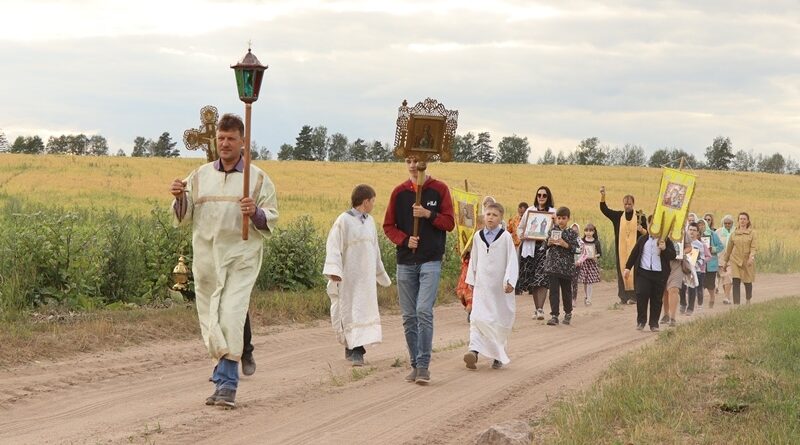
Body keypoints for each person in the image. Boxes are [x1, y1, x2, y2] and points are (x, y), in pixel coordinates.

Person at [170, 113, 278, 408]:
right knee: (210, 318)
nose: (225, 143)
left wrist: (254, 212)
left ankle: (228, 384)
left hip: (241, 256)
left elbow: (270, 218)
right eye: (221, 138)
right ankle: (221, 374)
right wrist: (180, 196)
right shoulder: (200, 176)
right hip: (206, 260)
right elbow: (184, 216)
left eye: (231, 138)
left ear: (243, 141)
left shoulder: (256, 179)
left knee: (231, 314)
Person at [383, 156, 455, 385]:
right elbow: (388, 226)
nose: (413, 165)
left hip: (430, 260)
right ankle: (414, 364)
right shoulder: (399, 192)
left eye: (417, 161)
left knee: (424, 310)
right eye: (409, 161)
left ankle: (424, 365)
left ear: (425, 162)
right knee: (408, 316)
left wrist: (428, 215)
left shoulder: (439, 189)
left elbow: (449, 223)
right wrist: (405, 240)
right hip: (405, 262)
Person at [323, 184, 392, 367]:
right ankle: (355, 350)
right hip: (349, 276)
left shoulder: (370, 222)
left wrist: (380, 273)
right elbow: (333, 246)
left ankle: (355, 346)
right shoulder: (343, 221)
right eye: (373, 201)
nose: (373, 205)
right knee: (350, 311)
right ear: (365, 201)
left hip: (366, 278)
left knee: (364, 311)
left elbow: (375, 249)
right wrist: (335, 271)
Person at [462, 203, 519, 370]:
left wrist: (510, 281)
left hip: (499, 289)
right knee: (477, 318)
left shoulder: (506, 237)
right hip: (482, 286)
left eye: (494, 215)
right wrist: (471, 281)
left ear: (500, 218)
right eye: (488, 214)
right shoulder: (478, 236)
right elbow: (474, 259)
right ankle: (473, 350)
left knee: (496, 320)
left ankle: (498, 355)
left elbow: (511, 260)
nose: (490, 217)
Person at [600, 186, 648, 304]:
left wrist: (641, 230)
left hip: (635, 251)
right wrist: (603, 196)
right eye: (625, 204)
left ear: (633, 204)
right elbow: (605, 209)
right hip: (621, 250)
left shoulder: (640, 216)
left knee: (635, 272)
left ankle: (634, 297)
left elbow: (647, 233)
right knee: (622, 271)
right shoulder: (618, 216)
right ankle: (623, 297)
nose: (627, 206)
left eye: (629, 204)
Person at [516, 186, 556, 320]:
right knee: (533, 280)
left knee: (542, 279)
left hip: (545, 250)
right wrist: (523, 235)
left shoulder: (552, 212)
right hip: (530, 249)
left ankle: (540, 309)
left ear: (548, 197)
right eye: (539, 195)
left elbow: (557, 230)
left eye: (544, 195)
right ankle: (537, 308)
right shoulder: (530, 210)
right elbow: (520, 228)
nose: (541, 198)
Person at [624, 232, 676, 332]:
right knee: (641, 295)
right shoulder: (642, 239)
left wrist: (665, 249)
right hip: (643, 273)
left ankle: (654, 323)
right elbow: (634, 253)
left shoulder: (665, 240)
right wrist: (627, 267)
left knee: (656, 299)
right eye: (650, 224)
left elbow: (672, 255)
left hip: (659, 274)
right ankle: (641, 321)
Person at [456, 196, 496, 321]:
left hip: (487, 261)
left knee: (483, 286)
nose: (487, 207)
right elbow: (466, 238)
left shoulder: (497, 223)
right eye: (485, 205)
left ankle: (477, 310)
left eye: (490, 205)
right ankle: (471, 308)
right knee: (468, 285)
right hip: (471, 259)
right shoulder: (475, 220)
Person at [543, 207, 580, 326]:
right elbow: (544, 246)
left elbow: (578, 249)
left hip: (566, 268)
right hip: (552, 266)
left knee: (566, 292)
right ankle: (554, 315)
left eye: (563, 218)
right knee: (553, 292)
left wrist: (566, 245)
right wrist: (548, 242)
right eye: (559, 218)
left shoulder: (572, 233)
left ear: (568, 219)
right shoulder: (552, 230)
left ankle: (568, 313)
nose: (561, 221)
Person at [722, 212, 757, 305]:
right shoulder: (734, 234)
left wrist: (751, 257)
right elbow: (729, 249)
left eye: (744, 219)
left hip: (747, 260)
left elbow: (754, 247)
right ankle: (736, 304)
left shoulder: (752, 233)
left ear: (748, 221)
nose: (742, 221)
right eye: (741, 219)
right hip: (735, 260)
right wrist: (725, 262)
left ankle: (748, 299)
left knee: (747, 282)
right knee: (736, 280)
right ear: (738, 221)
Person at [660, 236, 692, 328]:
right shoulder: (663, 229)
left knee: (673, 289)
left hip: (677, 264)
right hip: (663, 263)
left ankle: (672, 317)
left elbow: (689, 247)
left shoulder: (682, 231)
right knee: (665, 290)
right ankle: (666, 314)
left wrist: (682, 252)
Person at [697, 218, 724, 308]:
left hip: (711, 264)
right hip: (700, 264)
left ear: (706, 225)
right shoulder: (696, 236)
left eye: (702, 224)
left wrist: (713, 249)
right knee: (701, 283)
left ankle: (712, 297)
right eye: (699, 225)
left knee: (710, 284)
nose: (701, 226)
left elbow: (721, 246)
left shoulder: (712, 234)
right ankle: (700, 302)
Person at [685, 222, 711, 315]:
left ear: (697, 233)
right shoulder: (683, 242)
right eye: (690, 230)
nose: (692, 232)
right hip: (683, 269)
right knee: (682, 288)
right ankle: (682, 304)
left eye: (694, 230)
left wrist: (696, 265)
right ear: (687, 231)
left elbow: (703, 257)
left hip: (695, 270)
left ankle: (690, 308)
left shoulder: (700, 244)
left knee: (692, 288)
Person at [577, 223, 602, 306]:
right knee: (585, 281)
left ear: (594, 232)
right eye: (586, 230)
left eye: (590, 231)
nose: (588, 232)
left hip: (592, 264)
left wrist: (595, 256)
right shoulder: (582, 241)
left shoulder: (596, 242)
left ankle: (589, 299)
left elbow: (600, 254)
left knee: (590, 282)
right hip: (584, 263)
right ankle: (586, 296)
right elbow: (579, 251)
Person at [716, 215, 735, 304]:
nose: (727, 225)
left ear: (732, 223)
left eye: (729, 223)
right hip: (720, 258)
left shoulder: (735, 232)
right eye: (725, 223)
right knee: (724, 277)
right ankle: (727, 296)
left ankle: (727, 297)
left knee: (728, 275)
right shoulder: (718, 232)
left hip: (732, 258)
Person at [569, 223, 582, 306]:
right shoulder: (568, 240)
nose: (574, 231)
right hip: (569, 263)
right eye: (573, 230)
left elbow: (583, 252)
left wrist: (579, 261)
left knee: (574, 282)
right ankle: (568, 298)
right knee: (567, 282)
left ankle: (574, 299)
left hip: (577, 264)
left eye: (576, 230)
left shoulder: (580, 241)